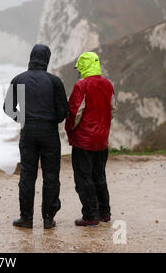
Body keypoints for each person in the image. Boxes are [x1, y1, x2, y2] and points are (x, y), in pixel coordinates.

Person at [4, 44, 68, 230]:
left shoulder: (19, 79)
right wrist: (52, 120)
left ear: (31, 58)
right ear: (46, 59)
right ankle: (48, 219)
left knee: (27, 175)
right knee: (51, 176)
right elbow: (63, 110)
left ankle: (26, 218)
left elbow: (8, 107)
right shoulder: (54, 81)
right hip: (49, 132)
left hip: (28, 131)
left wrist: (23, 118)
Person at [65, 52, 117, 227]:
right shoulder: (108, 84)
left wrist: (69, 130)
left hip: (84, 141)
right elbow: (113, 109)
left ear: (83, 66)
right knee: (99, 175)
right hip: (102, 140)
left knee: (83, 178)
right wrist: (103, 126)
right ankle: (105, 212)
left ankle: (90, 215)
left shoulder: (82, 85)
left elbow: (75, 112)